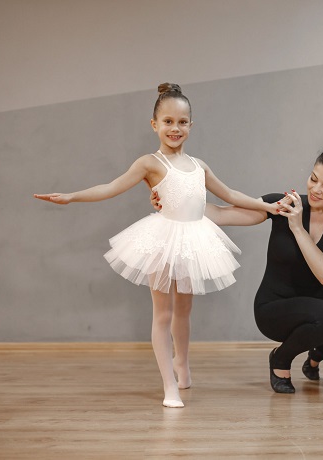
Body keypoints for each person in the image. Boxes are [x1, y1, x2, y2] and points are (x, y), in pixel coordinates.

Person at [35, 83, 278, 408]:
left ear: (191, 125)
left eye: (182, 122)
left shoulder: (199, 166)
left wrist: (269, 207)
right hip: (162, 240)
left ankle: (182, 363)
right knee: (162, 314)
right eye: (168, 121)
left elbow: (231, 195)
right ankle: (169, 387)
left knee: (185, 310)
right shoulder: (149, 163)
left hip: (194, 241)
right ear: (155, 125)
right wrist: (72, 196)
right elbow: (110, 187)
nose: (175, 128)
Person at [154, 135, 323, 393]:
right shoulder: (283, 204)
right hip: (273, 310)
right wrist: (174, 205)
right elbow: (220, 213)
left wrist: (297, 228)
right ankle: (280, 359)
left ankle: (317, 351)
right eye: (314, 179)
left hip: (321, 317)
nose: (316, 189)